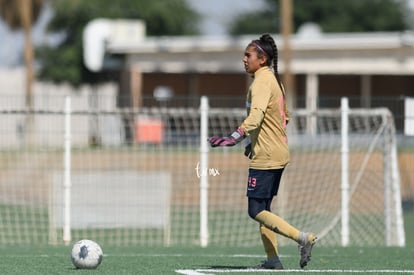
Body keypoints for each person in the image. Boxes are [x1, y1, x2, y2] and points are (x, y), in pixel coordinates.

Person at [208, 33, 317, 269]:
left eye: (248, 55)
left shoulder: (260, 82)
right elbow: (283, 118)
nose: (244, 59)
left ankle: (303, 238)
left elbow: (255, 117)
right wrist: (253, 143)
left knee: (255, 210)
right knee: (265, 210)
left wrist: (234, 138)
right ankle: (273, 260)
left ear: (262, 59)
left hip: (267, 157)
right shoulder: (273, 80)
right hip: (276, 153)